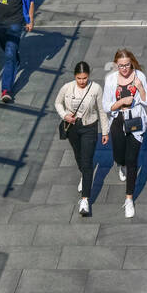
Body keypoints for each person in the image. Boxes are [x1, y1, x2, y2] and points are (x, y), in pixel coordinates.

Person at [101, 48, 147, 218]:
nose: (125, 69)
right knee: (119, 155)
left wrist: (140, 88)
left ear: (132, 63)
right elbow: (107, 106)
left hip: (136, 120)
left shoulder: (139, 76)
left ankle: (129, 199)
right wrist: (122, 101)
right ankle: (120, 164)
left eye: (127, 65)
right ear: (116, 65)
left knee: (132, 160)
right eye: (121, 66)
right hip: (118, 120)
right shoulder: (110, 80)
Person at [55, 61, 109, 216]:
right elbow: (57, 102)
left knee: (87, 161)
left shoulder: (96, 88)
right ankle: (84, 175)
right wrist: (64, 115)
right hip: (72, 128)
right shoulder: (67, 87)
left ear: (89, 76)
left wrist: (104, 132)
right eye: (79, 78)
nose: (82, 81)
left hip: (90, 127)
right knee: (78, 156)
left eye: (84, 78)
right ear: (75, 76)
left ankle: (85, 200)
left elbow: (101, 110)